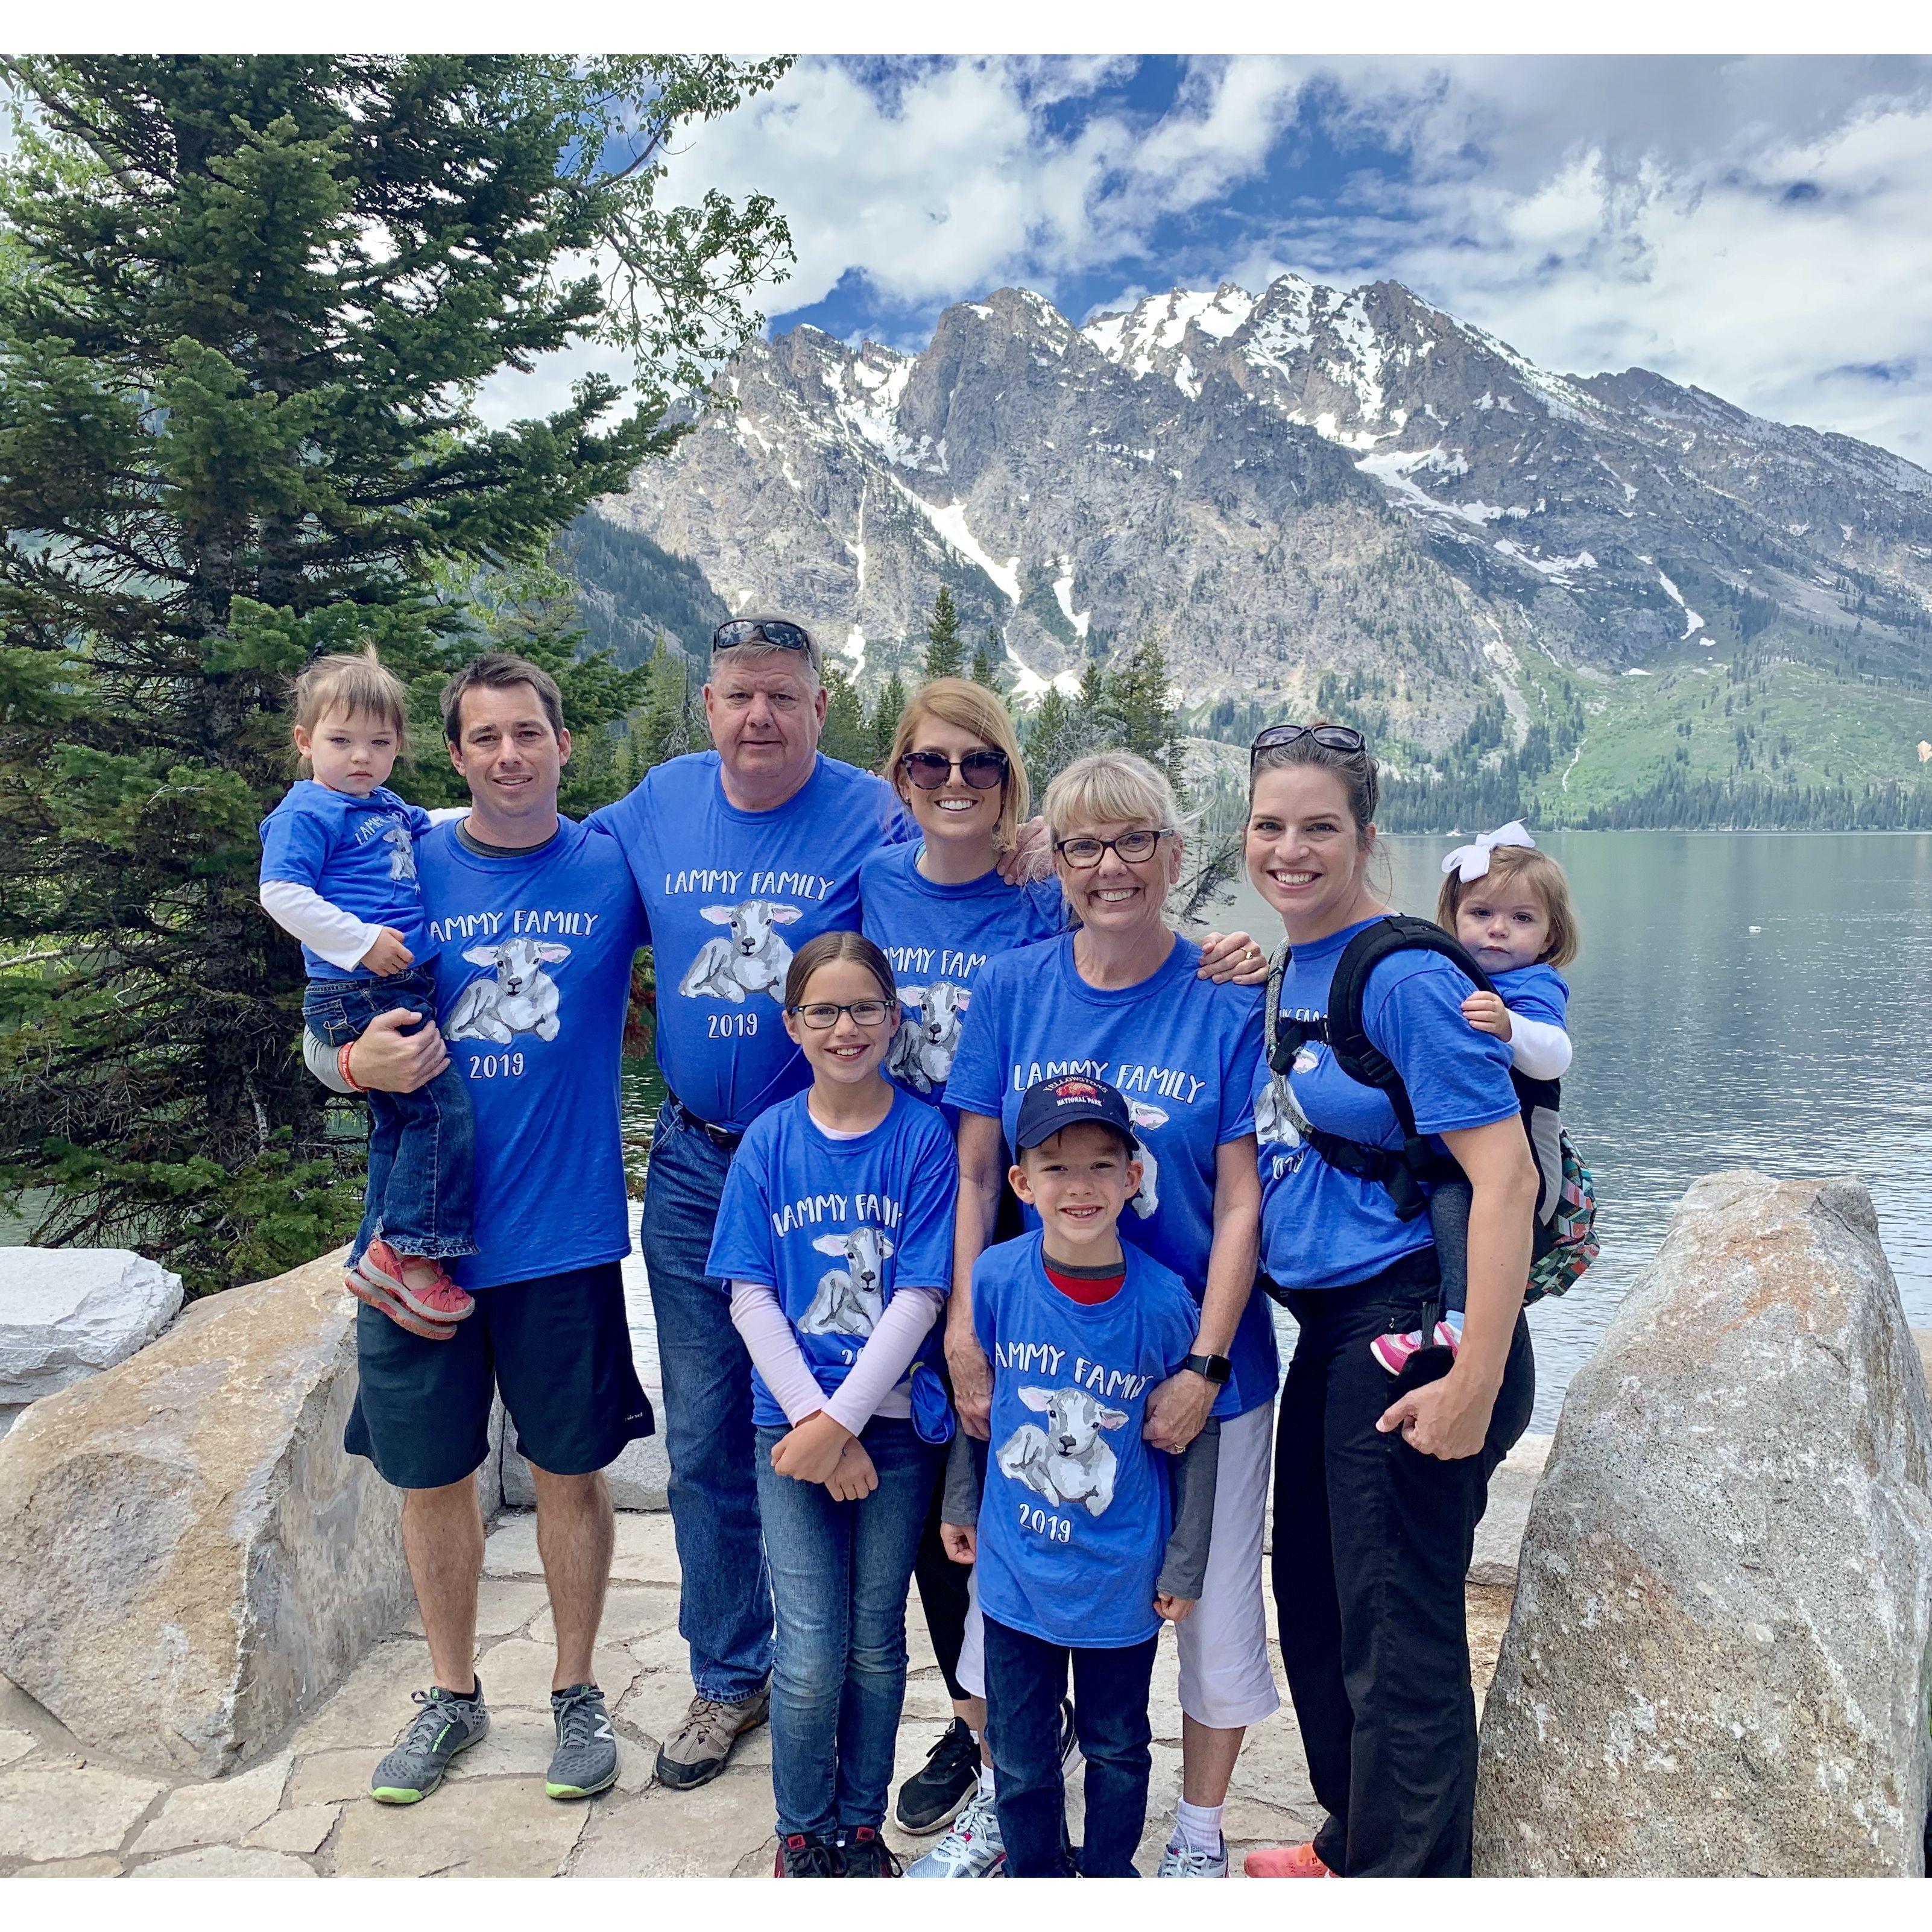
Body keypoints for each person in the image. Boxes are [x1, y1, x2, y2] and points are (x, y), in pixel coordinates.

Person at [302, 651, 655, 1811]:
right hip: (417, 1243)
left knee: (569, 1469)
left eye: (529, 732)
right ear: (451, 754)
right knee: (430, 1475)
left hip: (561, 1236)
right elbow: (318, 1025)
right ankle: (451, 1693)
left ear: (562, 743)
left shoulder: (614, 864)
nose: (509, 754)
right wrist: (354, 1062)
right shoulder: (399, 860)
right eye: (485, 736)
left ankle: (573, 1687)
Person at [593, 617, 928, 1791]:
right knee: (701, 1433)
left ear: (820, 707)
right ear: (708, 703)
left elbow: (958, 900)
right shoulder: (658, 804)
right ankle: (731, 1674)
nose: (759, 720)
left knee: (838, 1413)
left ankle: (829, 1669)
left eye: (782, 698)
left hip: (829, 1173)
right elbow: (546, 871)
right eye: (739, 697)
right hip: (691, 1161)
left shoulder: (872, 815)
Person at [941, 750, 1275, 1880]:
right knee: (1019, 1578)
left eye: (1135, 840)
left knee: (1204, 1599)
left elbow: (1238, 1197)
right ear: (1054, 859)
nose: (1110, 865)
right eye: (1082, 843)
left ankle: (1192, 1835)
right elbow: (977, 1175)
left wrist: (1205, 1359)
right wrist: (958, 1327)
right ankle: (1007, 1805)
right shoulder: (1010, 986)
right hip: (1037, 1336)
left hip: (1184, 1351)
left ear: (1176, 857)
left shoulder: (1221, 993)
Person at [1240, 722, 1539, 1879]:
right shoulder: (1291, 969)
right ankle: (1349, 1835)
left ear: (1365, 836)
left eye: (1319, 826)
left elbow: (1502, 1175)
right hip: (1332, 1325)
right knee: (1315, 1601)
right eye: (1269, 825)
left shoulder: (1404, 975)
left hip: (1417, 1322)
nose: (1290, 848)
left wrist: (1469, 1375)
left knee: (1395, 1631)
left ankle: (1406, 1880)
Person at [710, 932, 959, 1877]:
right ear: (794, 1025)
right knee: (811, 1651)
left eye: (864, 1009)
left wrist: (846, 1423)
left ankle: (860, 1827)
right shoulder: (772, 1140)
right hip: (792, 1428)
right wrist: (817, 1424)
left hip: (894, 1432)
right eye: (824, 1011)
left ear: (894, 1021)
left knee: (875, 1645)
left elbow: (920, 1296)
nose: (845, 1027)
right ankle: (800, 1831)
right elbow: (749, 1292)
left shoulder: (923, 1137)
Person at [936, 1075, 1220, 1877]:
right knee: (1021, 1761)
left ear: (1135, 1179)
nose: (1081, 1186)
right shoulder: (994, 1279)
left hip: (1119, 1579)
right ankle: (1034, 1879)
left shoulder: (1165, 1304)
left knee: (1118, 1749)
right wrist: (963, 1498)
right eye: (1056, 1168)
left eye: (1102, 1165)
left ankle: (1106, 1878)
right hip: (1017, 1572)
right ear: (1021, 1183)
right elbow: (978, 1399)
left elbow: (1196, 1440)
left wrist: (1185, 1559)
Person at [259, 647, 476, 1330]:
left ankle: (374, 1254)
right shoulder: (309, 812)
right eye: (342, 741)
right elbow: (281, 894)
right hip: (359, 990)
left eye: (379, 743)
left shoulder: (379, 804)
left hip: (393, 984)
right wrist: (359, 940)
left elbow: (431, 821)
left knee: (400, 1124)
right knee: (441, 1115)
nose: (361, 757)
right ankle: (412, 1254)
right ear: (305, 742)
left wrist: (494, 816)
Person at [1371, 823, 1579, 1372]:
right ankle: (1445, 1319)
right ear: (1454, 920)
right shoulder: (1447, 976)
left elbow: (1555, 1055)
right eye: (1481, 914)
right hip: (1454, 1154)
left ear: (1551, 935)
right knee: (1444, 1206)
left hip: (1524, 1152)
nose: (1499, 931)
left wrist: (1511, 1027)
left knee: (1465, 1205)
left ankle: (1465, 1327)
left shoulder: (1535, 984)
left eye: (1522, 919)